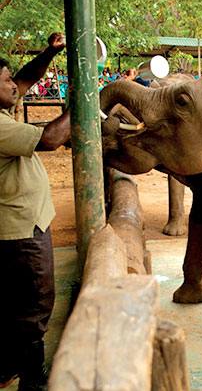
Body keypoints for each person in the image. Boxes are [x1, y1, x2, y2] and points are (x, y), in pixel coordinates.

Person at [0, 32, 70, 391]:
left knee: (13, 301)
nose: (16, 85)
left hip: (22, 224)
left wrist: (48, 53)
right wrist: (86, 106)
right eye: (6, 80)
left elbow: (26, 78)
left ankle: (7, 366)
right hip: (21, 231)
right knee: (35, 304)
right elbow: (50, 139)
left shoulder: (2, 109)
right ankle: (32, 379)